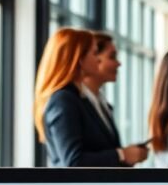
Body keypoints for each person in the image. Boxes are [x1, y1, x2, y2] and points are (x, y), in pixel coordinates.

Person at [34, 28, 148, 167]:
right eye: (94, 54)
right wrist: (122, 154)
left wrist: (127, 156)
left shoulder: (84, 99)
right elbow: (73, 162)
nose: (97, 59)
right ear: (79, 59)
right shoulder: (63, 100)